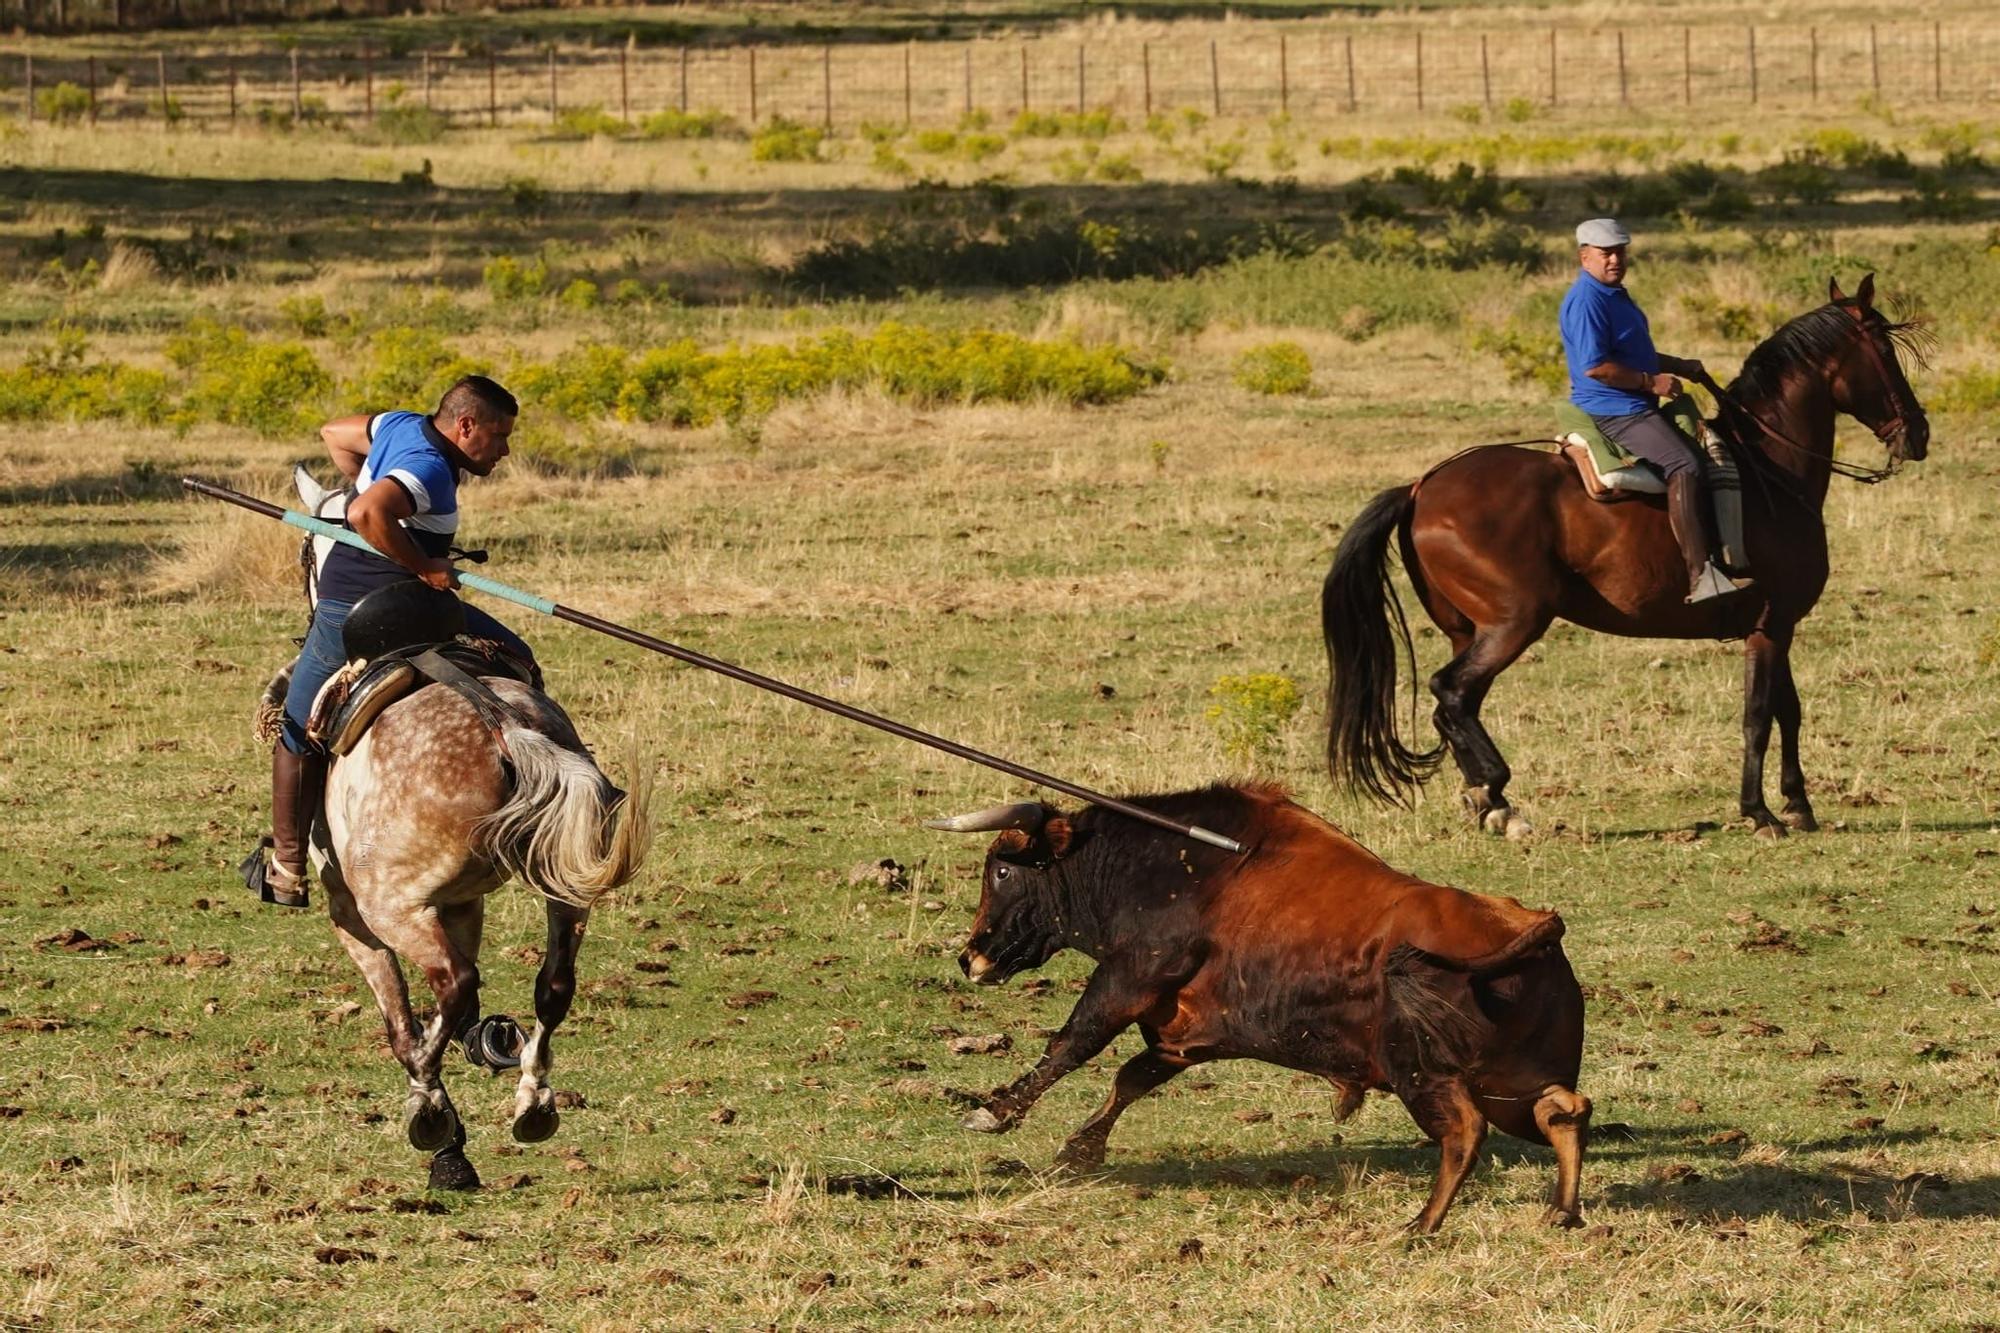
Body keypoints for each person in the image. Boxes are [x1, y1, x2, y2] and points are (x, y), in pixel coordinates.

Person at [245, 375, 536, 908]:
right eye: (497, 437)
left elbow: (334, 434)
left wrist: (363, 485)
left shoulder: (400, 426)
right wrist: (423, 563)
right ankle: (289, 862)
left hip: (382, 603)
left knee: (299, 727)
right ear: (465, 425)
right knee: (295, 722)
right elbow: (365, 514)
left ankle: (286, 867)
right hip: (370, 612)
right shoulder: (429, 469)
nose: (504, 450)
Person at [1558, 218, 1748, 604]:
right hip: (1616, 408)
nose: (1615, 259)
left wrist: (1677, 365)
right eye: (1605, 253)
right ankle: (1701, 575)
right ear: (1584, 256)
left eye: (1620, 251)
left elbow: (1631, 354)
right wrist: (1650, 383)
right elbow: (1596, 366)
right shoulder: (1587, 301)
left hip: (1632, 400)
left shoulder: (1612, 294)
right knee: (1686, 464)